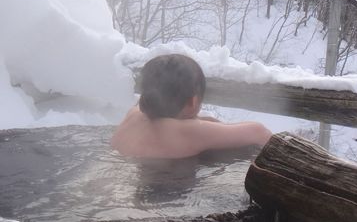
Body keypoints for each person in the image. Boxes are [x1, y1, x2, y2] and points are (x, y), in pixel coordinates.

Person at [111, 54, 272, 158]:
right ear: (193, 101)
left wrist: (206, 121)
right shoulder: (186, 132)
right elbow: (259, 132)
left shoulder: (134, 114)